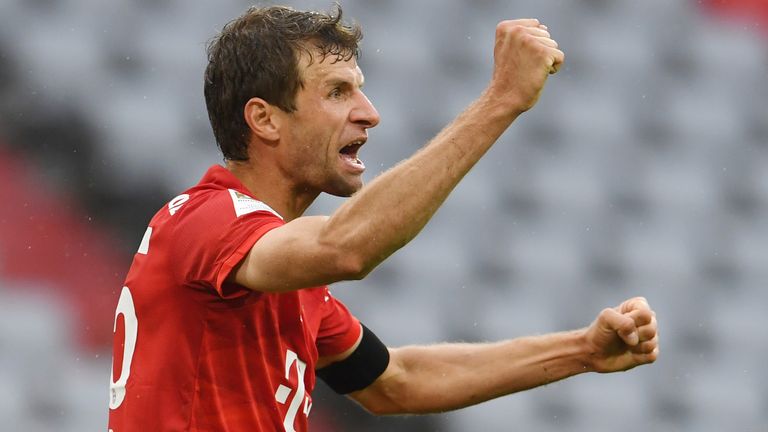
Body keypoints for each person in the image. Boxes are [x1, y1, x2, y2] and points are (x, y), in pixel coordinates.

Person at [107, 5, 659, 432]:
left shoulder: (281, 270)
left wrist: (581, 352)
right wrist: (501, 100)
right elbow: (347, 250)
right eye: (338, 92)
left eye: (360, 91)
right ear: (265, 120)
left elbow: (395, 382)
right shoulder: (206, 218)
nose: (369, 114)